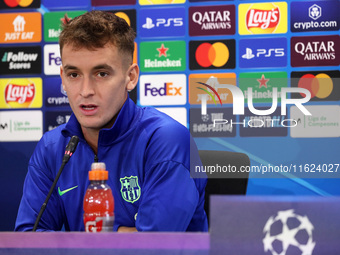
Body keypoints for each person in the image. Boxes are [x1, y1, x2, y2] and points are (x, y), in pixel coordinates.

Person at [15, 10, 208, 232]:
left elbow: (153, 247)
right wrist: (122, 233)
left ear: (131, 77)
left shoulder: (166, 139)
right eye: (74, 75)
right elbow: (27, 240)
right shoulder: (51, 148)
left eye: (102, 74)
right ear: (63, 78)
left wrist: (80, 241)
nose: (85, 91)